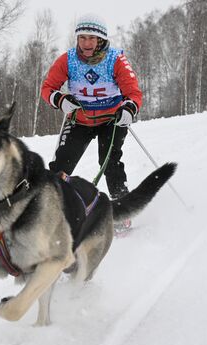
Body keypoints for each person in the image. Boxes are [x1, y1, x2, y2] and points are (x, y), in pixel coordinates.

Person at [41, 14, 143, 234]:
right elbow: (47, 88)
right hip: (80, 119)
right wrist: (60, 100)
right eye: (82, 37)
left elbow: (133, 92)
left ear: (101, 40)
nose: (86, 43)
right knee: (61, 166)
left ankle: (121, 212)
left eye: (92, 38)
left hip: (111, 119)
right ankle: (49, 211)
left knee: (109, 161)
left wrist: (129, 108)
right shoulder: (67, 60)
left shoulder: (116, 59)